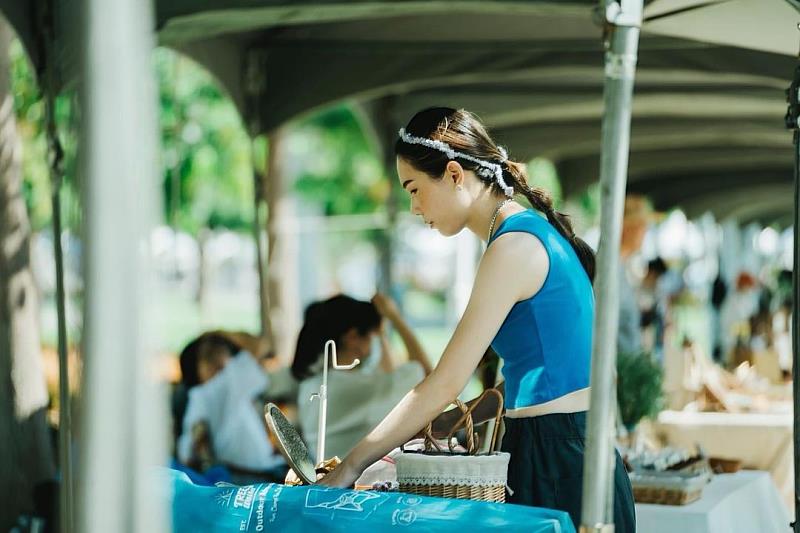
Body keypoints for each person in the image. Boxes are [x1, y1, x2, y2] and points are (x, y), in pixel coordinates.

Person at [319, 107, 635, 531]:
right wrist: (446, 423)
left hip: (558, 459)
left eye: (414, 189)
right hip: (562, 449)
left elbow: (445, 381)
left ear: (453, 174)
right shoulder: (526, 234)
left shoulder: (514, 247)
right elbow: (541, 372)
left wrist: (353, 465)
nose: (414, 207)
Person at [293, 293, 432, 459]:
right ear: (352, 337)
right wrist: (395, 317)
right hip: (355, 483)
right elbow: (428, 376)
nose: (376, 342)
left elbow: (387, 374)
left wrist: (380, 332)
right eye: (373, 336)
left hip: (329, 479)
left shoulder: (312, 382)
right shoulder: (361, 387)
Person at [174, 331, 287, 483]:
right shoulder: (222, 387)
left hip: (239, 478)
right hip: (252, 478)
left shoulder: (198, 399)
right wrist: (220, 334)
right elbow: (260, 345)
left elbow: (186, 455)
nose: (231, 366)